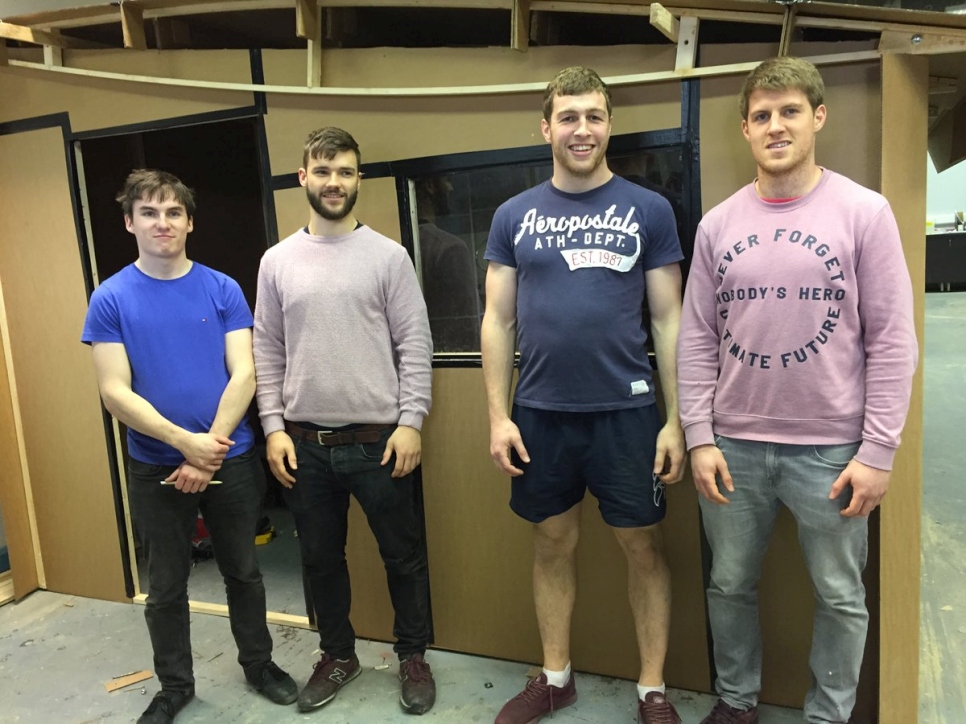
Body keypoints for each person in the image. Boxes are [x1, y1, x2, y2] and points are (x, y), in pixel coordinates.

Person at [677, 57, 918, 724]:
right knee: (727, 584)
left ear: (817, 117)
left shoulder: (864, 213)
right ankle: (736, 700)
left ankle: (828, 715)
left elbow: (894, 340)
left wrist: (877, 452)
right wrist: (699, 436)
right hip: (733, 448)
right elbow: (696, 339)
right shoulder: (716, 226)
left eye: (789, 111)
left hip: (833, 455)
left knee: (840, 596)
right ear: (746, 130)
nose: (775, 125)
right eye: (761, 115)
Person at [481, 66, 686, 724]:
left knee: (644, 548)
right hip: (540, 414)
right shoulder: (513, 216)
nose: (582, 129)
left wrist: (677, 420)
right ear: (546, 127)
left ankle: (652, 688)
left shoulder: (649, 210)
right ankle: (557, 677)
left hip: (628, 413)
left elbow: (669, 321)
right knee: (551, 543)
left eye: (594, 116)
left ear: (608, 125)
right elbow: (497, 320)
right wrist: (496, 416)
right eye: (568, 116)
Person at [82, 169, 298, 724]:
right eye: (149, 212)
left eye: (173, 212)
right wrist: (185, 446)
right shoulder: (110, 298)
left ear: (189, 223)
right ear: (129, 222)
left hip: (233, 459)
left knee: (244, 573)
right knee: (166, 587)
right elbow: (113, 391)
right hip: (156, 466)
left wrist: (210, 451)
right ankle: (175, 685)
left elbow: (245, 373)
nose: (163, 222)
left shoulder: (222, 287)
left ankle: (259, 664)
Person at [253, 127, 436, 715]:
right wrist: (274, 428)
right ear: (303, 177)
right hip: (304, 445)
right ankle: (339, 655)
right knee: (319, 560)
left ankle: (412, 656)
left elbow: (415, 344)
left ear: (359, 178)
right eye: (324, 171)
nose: (335, 182)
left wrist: (412, 421)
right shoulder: (276, 262)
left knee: (402, 557)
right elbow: (266, 350)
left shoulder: (389, 257)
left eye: (347, 172)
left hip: (380, 442)